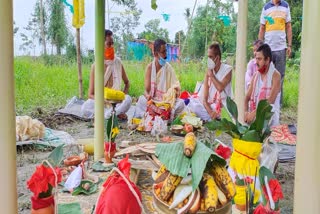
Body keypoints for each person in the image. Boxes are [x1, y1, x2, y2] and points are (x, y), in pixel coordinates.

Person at [81, 29, 131, 119]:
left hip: (116, 103)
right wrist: (104, 101)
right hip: (102, 103)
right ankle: (113, 114)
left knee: (128, 99)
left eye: (112, 43)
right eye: (109, 44)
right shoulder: (95, 66)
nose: (111, 46)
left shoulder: (118, 62)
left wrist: (121, 96)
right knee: (85, 108)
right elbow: (90, 94)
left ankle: (109, 114)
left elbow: (127, 83)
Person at [135, 38, 185, 120]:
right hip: (154, 102)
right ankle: (161, 116)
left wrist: (175, 90)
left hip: (166, 103)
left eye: (166, 51)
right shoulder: (150, 68)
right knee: (141, 100)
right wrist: (148, 96)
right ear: (155, 54)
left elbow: (176, 86)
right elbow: (146, 90)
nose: (166, 55)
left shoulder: (169, 68)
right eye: (163, 52)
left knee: (181, 103)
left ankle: (153, 116)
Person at [258, 0, 292, 105]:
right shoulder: (266, 7)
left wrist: (289, 45)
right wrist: (260, 48)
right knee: (267, 75)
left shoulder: (285, 6)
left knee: (280, 76)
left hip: (281, 47)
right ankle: (265, 102)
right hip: (268, 48)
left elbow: (288, 26)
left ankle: (278, 104)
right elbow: (262, 28)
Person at [188, 43, 232, 121]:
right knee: (193, 105)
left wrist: (211, 75)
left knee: (217, 110)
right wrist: (210, 112)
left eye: (210, 57)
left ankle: (211, 119)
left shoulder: (228, 70)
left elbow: (220, 87)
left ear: (217, 58)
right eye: (208, 57)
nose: (208, 60)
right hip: (209, 105)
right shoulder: (208, 71)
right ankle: (211, 119)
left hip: (222, 106)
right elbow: (204, 99)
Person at [244, 44, 281, 126]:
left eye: (259, 59)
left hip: (270, 121)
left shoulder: (275, 76)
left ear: (267, 60)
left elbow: (269, 102)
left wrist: (254, 113)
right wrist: (246, 112)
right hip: (255, 119)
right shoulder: (255, 76)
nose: (256, 62)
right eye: (256, 59)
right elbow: (246, 98)